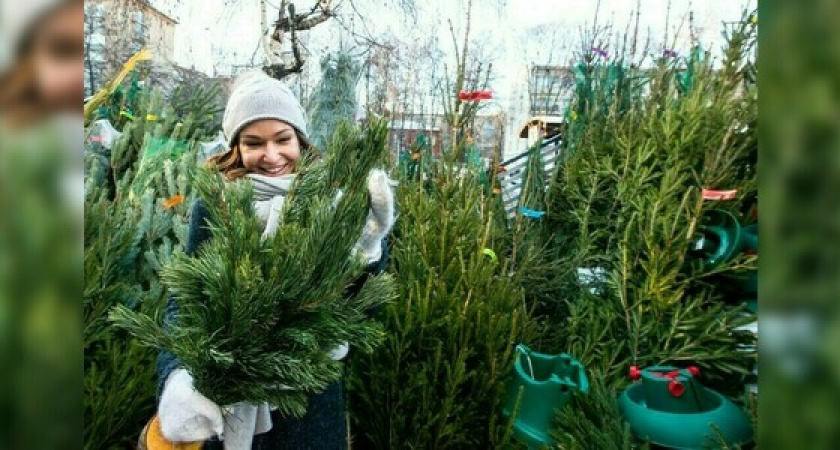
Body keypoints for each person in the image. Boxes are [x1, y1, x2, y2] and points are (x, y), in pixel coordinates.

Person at [154, 71, 395, 449]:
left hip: (308, 406)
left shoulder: (328, 203)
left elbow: (362, 309)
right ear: (236, 146)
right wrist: (178, 376)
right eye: (254, 142)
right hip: (229, 403)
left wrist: (367, 249)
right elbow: (183, 302)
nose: (271, 155)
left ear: (300, 138)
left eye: (283, 139)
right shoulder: (216, 203)